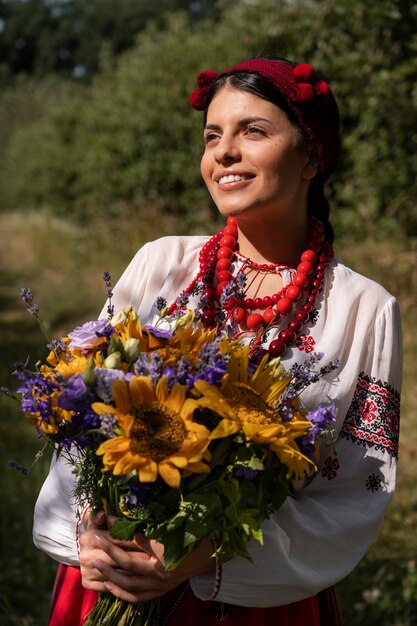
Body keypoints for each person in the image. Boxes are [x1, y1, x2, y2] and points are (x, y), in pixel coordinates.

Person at [33, 55, 402, 626]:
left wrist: (207, 553)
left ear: (311, 155)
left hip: (254, 597)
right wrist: (91, 533)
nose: (223, 152)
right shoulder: (162, 264)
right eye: (212, 135)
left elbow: (357, 490)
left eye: (252, 130)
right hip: (113, 572)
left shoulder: (364, 310)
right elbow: (83, 420)